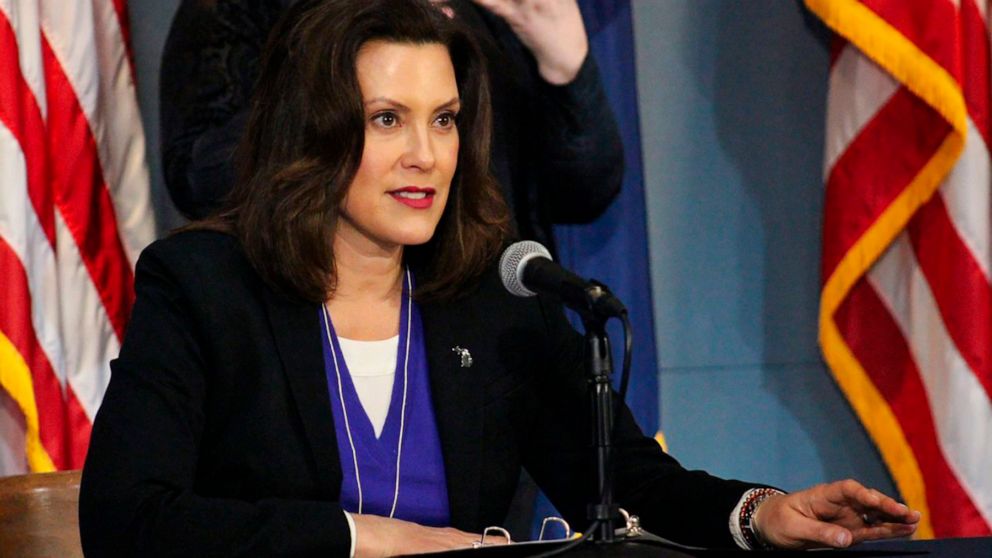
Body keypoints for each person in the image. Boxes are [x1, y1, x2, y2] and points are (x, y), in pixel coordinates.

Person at [80, 1, 919, 556]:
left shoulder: (489, 293)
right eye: (386, 120)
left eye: (444, 121)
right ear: (311, 132)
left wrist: (759, 515)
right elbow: (128, 519)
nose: (426, 156)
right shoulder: (203, 286)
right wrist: (364, 537)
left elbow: (629, 481)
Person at [159, 0, 622, 255]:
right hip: (317, 322)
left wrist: (566, 66)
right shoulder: (243, 10)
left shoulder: (486, 13)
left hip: (486, 332)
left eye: (444, 119)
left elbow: (580, 195)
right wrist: (348, 58)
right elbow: (198, 177)